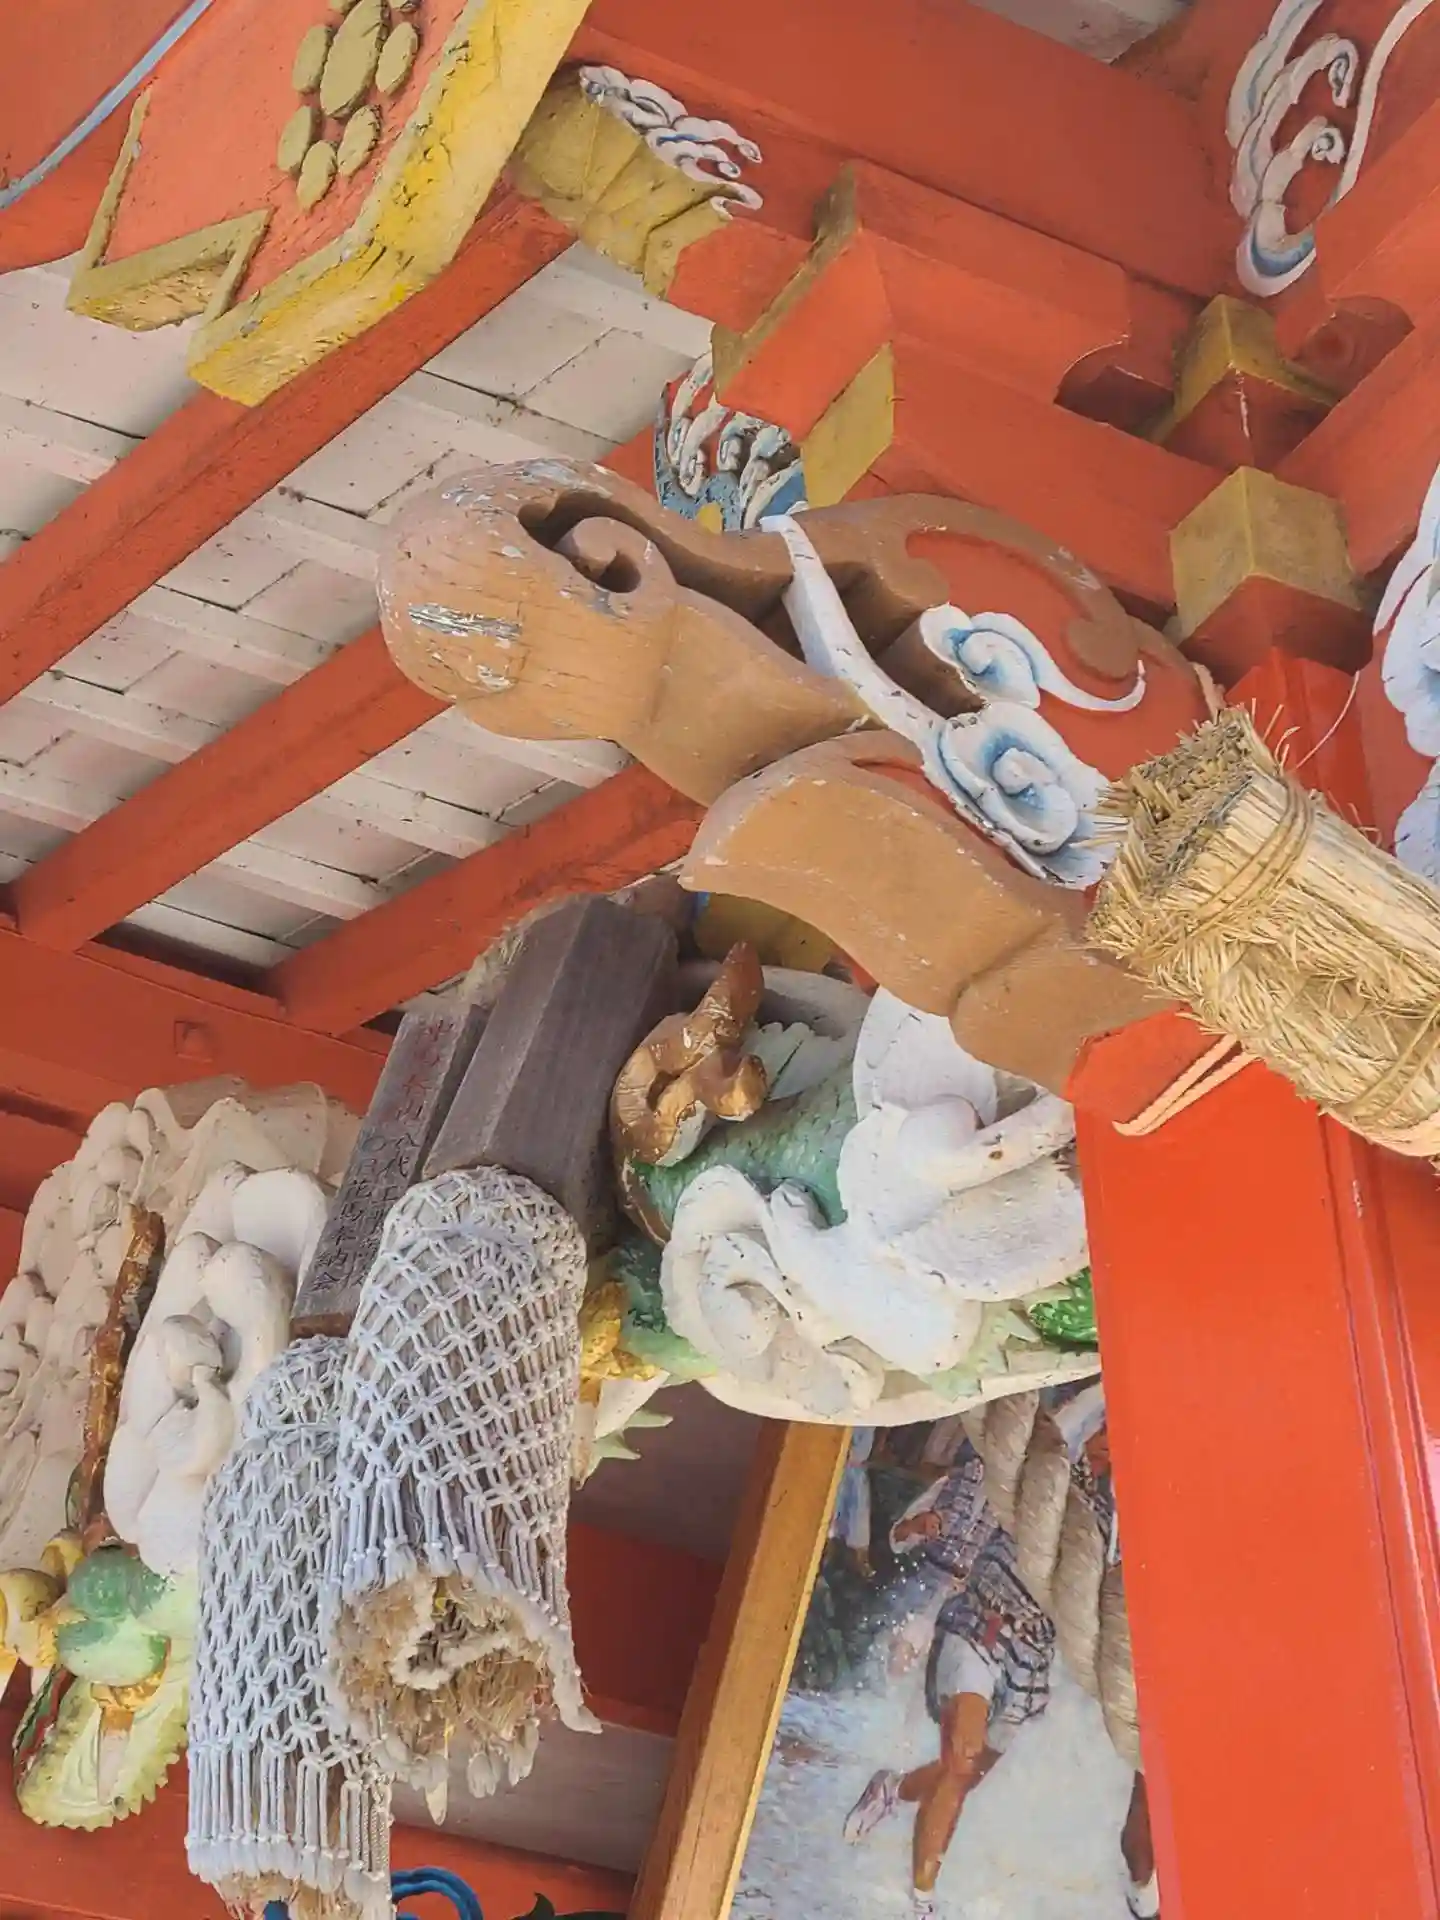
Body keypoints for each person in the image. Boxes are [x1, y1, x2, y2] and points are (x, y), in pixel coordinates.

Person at [843, 1447, 1055, 1919]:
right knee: (954, 1748)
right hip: (943, 1601)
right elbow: (898, 1537)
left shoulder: (1028, 1506)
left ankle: (893, 1789)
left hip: (995, 1621)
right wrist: (919, 1527)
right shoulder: (955, 1483)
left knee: (965, 1772)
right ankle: (922, 1899)